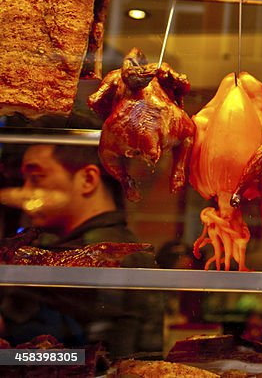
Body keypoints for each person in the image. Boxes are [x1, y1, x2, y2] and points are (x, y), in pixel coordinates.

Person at [0, 144, 161, 356]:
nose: (26, 192)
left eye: (36, 178)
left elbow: (17, 349)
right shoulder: (117, 243)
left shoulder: (95, 252)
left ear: (88, 180)